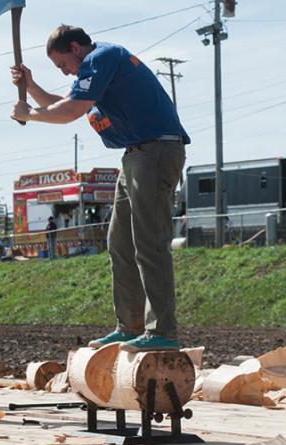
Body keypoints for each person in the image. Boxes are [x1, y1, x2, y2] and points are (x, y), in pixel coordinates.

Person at [10, 25, 189, 352]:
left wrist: (29, 115)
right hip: (135, 155)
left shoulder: (101, 57)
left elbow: (68, 112)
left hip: (156, 152)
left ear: (76, 47)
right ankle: (129, 326)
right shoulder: (96, 76)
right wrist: (31, 87)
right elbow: (64, 103)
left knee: (150, 243)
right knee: (119, 244)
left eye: (62, 63)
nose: (64, 71)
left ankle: (163, 331)